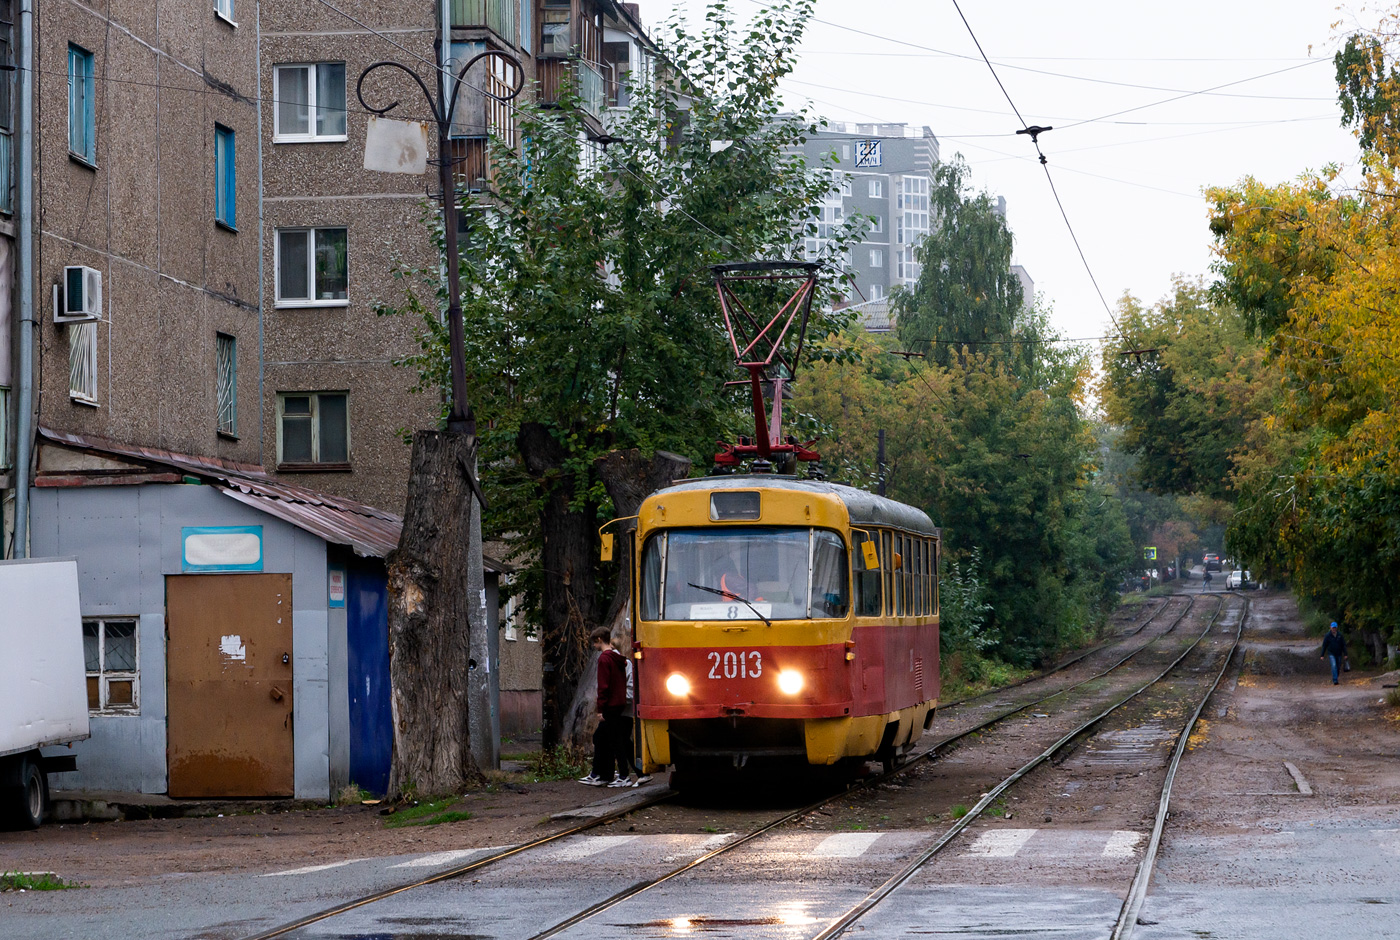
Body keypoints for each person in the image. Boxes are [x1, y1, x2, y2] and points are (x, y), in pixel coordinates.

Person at [579, 627, 633, 787]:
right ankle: (602, 774)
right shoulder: (619, 659)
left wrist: (600, 709)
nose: (594, 647)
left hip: (610, 706)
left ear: (599, 640)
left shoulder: (604, 659)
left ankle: (621, 775)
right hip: (619, 704)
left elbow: (603, 686)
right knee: (606, 738)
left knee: (614, 741)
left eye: (594, 643)